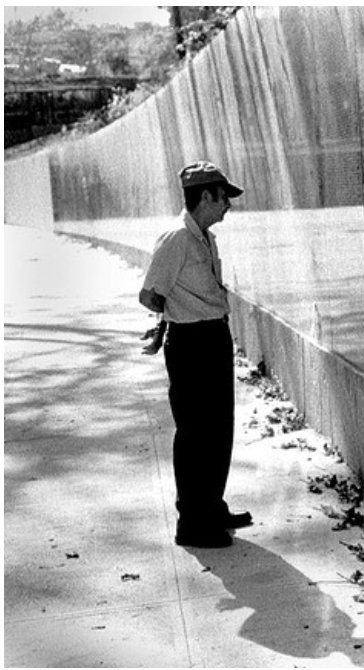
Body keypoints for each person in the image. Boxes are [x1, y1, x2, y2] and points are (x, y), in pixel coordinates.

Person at [139, 160, 252, 548]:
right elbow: (150, 292)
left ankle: (211, 508)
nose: (228, 206)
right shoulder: (176, 239)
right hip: (190, 345)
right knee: (194, 434)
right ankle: (192, 523)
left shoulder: (204, 238)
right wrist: (172, 316)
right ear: (205, 196)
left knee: (219, 429)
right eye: (224, 198)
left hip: (213, 338)